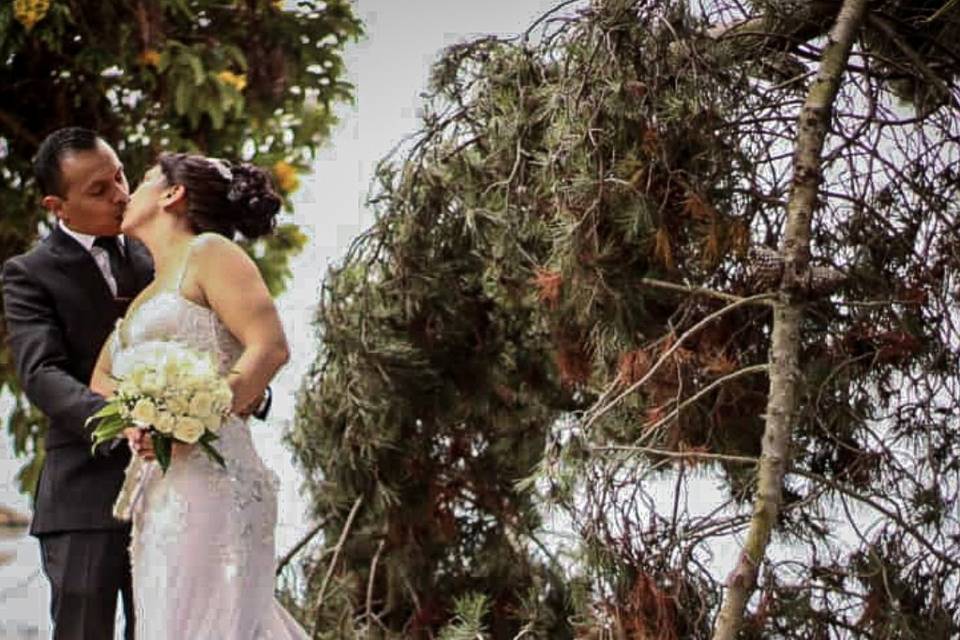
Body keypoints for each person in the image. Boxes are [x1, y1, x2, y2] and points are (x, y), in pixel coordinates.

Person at [89, 152, 307, 637]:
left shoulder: (210, 252)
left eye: (142, 179)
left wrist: (196, 418)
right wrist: (137, 422)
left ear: (172, 193)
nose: (126, 192)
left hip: (215, 482)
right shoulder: (146, 295)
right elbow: (102, 378)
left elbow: (269, 346)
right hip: (160, 493)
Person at [1, 127, 154, 639]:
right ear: (56, 206)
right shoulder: (29, 273)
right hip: (84, 496)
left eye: (120, 177)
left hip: (170, 493)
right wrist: (121, 422)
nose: (121, 195)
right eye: (98, 190)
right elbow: (40, 373)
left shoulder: (157, 254)